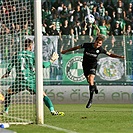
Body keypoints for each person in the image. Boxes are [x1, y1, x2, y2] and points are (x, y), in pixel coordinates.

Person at [1, 39, 64, 116]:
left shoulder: (17, 54)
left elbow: (10, 66)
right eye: (33, 46)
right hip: (31, 81)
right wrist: (51, 60)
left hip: (20, 81)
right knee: (43, 95)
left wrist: (7, 73)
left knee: (8, 93)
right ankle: (52, 111)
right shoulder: (33, 55)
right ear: (30, 46)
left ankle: (6, 111)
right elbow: (44, 65)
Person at [61, 35, 124, 108]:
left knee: (90, 79)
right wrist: (66, 51)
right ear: (95, 41)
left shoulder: (100, 49)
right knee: (89, 81)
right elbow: (76, 48)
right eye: (97, 42)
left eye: (100, 43)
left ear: (101, 44)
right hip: (85, 65)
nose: (98, 44)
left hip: (93, 66)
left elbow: (110, 54)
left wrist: (119, 57)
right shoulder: (87, 45)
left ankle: (90, 100)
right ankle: (94, 85)